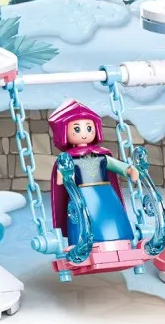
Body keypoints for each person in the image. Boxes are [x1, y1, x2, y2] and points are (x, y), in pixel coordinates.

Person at [47, 100, 140, 249]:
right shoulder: (69, 158)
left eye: (88, 128)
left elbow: (114, 164)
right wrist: (64, 175)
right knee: (82, 217)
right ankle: (79, 244)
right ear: (64, 131)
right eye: (77, 129)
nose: (84, 133)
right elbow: (61, 178)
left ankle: (119, 240)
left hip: (105, 193)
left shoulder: (101, 154)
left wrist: (128, 170)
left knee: (111, 215)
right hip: (82, 194)